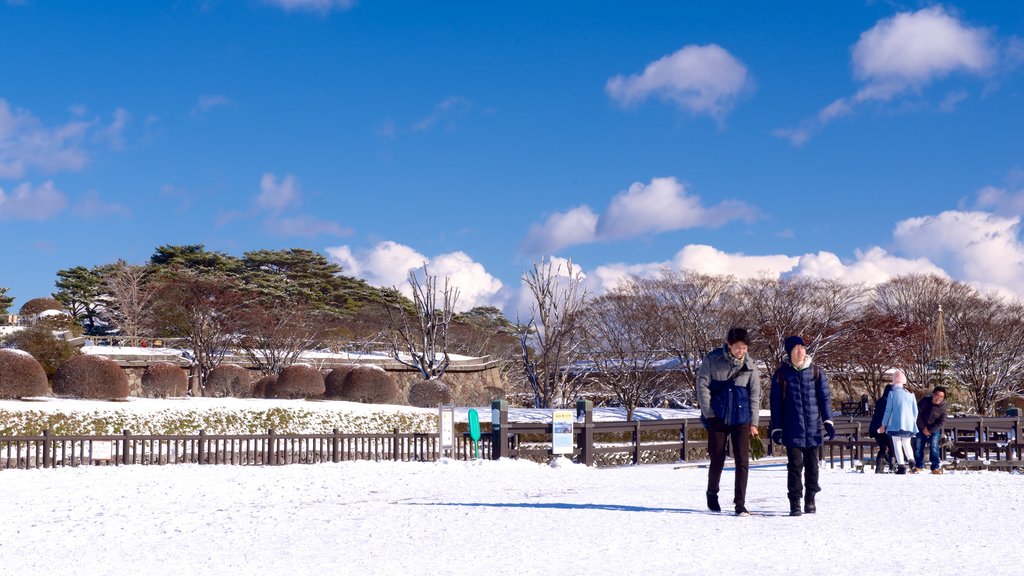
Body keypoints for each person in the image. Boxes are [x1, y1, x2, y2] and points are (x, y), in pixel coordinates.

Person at [696, 327, 761, 517]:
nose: (741, 351)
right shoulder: (712, 360)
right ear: (729, 345)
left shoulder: (750, 365)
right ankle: (712, 492)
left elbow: (755, 395)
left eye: (744, 348)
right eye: (738, 347)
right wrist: (709, 415)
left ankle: (740, 503)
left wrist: (754, 423)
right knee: (717, 458)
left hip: (741, 419)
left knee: (742, 460)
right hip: (717, 417)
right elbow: (702, 387)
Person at [769, 336, 835, 517]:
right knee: (795, 467)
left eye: (802, 347)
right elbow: (776, 404)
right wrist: (777, 428)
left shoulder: (816, 371)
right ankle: (795, 501)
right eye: (795, 348)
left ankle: (811, 498)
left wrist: (828, 421)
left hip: (813, 428)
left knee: (813, 466)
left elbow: (824, 398)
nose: (800, 351)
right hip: (792, 428)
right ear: (789, 353)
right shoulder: (781, 374)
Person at [877, 369, 918, 475]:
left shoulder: (892, 394)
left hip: (895, 424)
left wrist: (883, 425)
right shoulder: (910, 395)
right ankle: (912, 461)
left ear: (894, 381)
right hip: (908, 424)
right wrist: (912, 421)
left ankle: (901, 466)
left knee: (897, 444)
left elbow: (888, 411)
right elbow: (915, 411)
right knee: (906, 443)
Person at [914, 386, 948, 474]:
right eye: (937, 395)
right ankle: (919, 466)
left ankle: (935, 467)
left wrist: (930, 430)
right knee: (918, 446)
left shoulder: (943, 407)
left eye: (941, 397)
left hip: (933, 429)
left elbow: (942, 422)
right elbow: (917, 414)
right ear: (933, 394)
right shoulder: (925, 401)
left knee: (934, 447)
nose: (939, 398)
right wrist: (923, 427)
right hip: (921, 427)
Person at [868, 384, 895, 473]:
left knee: (883, 447)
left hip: (875, 428)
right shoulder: (889, 401)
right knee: (892, 448)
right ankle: (892, 467)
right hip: (884, 427)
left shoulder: (880, 400)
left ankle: (878, 468)